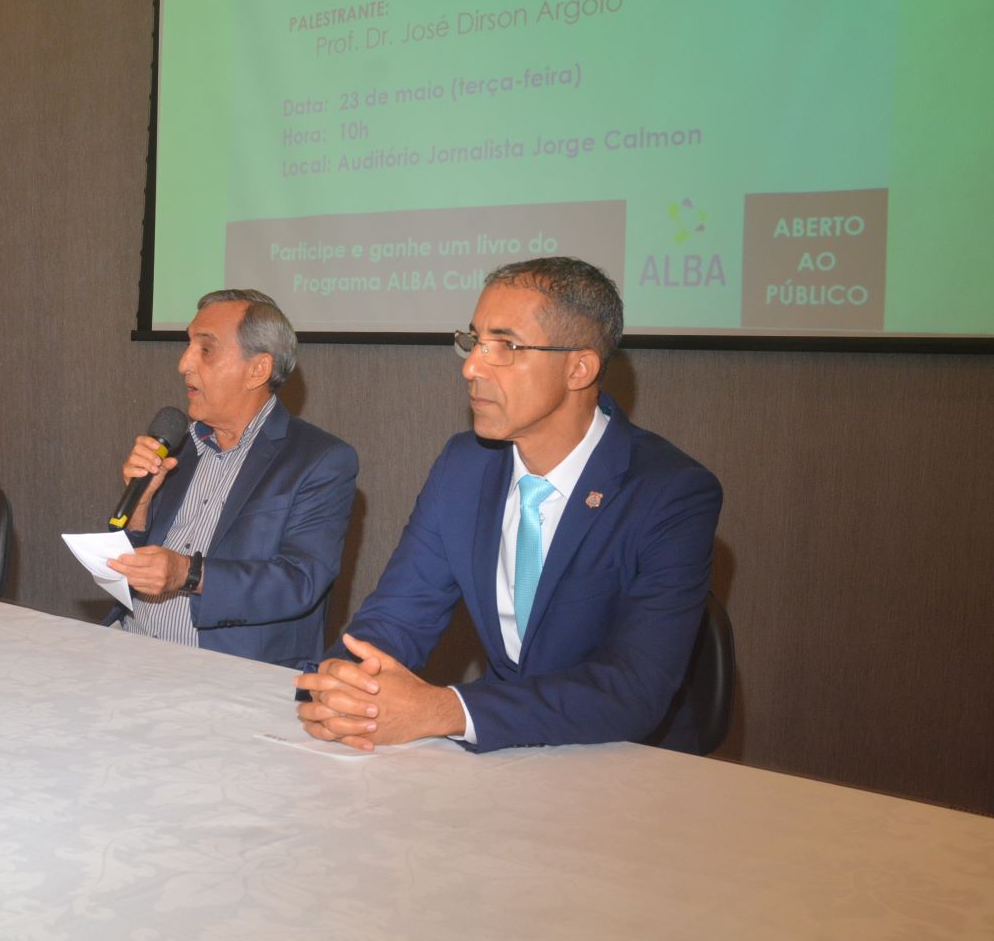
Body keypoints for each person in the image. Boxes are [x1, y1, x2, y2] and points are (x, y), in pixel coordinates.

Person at [295, 257, 723, 753]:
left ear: (579, 368)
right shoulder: (465, 465)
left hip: (629, 763)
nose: (471, 366)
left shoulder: (670, 492)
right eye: (474, 340)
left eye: (506, 346)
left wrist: (444, 710)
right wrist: (345, 683)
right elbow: (399, 616)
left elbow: (633, 689)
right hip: (504, 756)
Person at [107, 289, 358, 668]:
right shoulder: (176, 447)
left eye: (205, 349)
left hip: (230, 671)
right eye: (188, 345)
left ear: (258, 370)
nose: (183, 364)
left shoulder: (320, 460)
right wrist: (139, 503)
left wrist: (189, 573)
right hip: (129, 646)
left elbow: (300, 581)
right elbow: (120, 568)